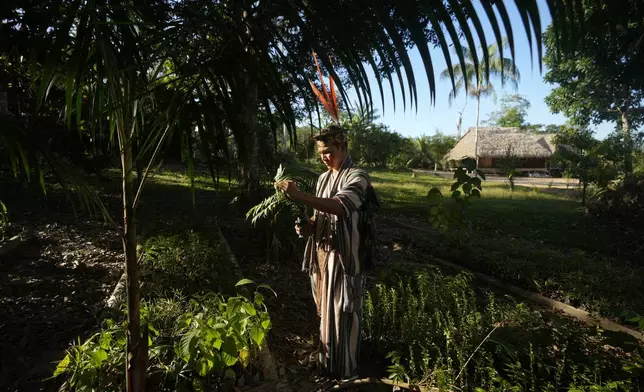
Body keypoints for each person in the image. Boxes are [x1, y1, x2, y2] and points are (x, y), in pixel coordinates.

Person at [276, 124, 377, 381]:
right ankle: (327, 368)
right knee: (326, 317)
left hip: (344, 261)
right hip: (321, 257)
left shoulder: (358, 176)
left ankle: (345, 373)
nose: (325, 156)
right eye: (321, 152)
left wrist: (299, 196)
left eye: (329, 150)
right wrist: (308, 227)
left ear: (343, 147)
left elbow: (341, 207)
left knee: (344, 314)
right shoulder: (323, 179)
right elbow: (319, 216)